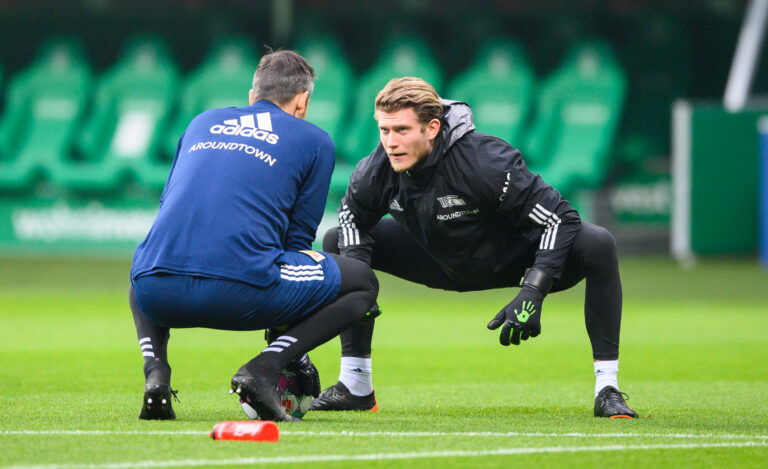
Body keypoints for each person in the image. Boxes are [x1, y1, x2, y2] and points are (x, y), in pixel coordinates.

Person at [312, 77, 637, 418]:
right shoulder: (375, 170)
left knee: (598, 243)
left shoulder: (485, 161)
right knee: (338, 240)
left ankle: (608, 389)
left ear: (432, 127)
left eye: (402, 130)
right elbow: (352, 219)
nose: (391, 143)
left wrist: (534, 289)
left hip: (513, 260)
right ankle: (356, 385)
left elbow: (561, 218)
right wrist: (359, 285)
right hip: (435, 259)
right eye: (385, 130)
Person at [128, 50, 378, 422]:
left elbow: (170, 205)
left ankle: (156, 372)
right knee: (362, 283)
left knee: (149, 260)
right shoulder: (315, 140)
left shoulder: (200, 123)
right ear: (302, 101)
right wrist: (288, 346)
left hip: (156, 294)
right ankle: (265, 368)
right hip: (242, 293)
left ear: (252, 95)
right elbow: (296, 243)